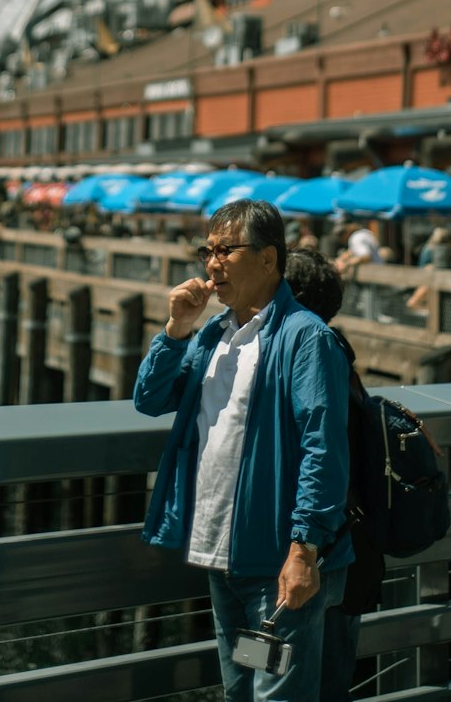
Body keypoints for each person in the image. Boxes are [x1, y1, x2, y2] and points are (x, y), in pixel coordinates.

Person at [134, 200, 352, 701]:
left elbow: (323, 447)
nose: (212, 263)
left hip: (277, 562)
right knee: (241, 691)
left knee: (277, 696)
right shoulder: (214, 333)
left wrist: (304, 549)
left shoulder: (306, 339)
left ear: (269, 260)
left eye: (226, 251)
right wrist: (175, 329)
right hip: (220, 555)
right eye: (207, 251)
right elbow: (149, 399)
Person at [284, 250, 367, 702]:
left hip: (321, 547)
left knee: (313, 680)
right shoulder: (337, 350)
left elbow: (321, 452)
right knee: (329, 676)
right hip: (339, 540)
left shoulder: (315, 349)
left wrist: (305, 543)